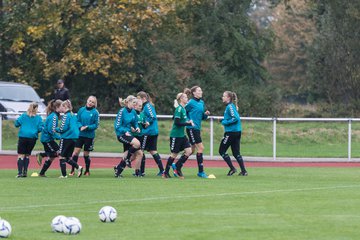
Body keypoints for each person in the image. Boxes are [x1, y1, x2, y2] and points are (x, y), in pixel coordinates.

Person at [162, 92, 194, 179]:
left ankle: (178, 166)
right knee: (174, 154)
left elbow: (175, 118)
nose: (187, 99)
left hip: (182, 135)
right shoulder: (179, 109)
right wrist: (187, 123)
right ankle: (165, 173)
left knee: (189, 151)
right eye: (185, 97)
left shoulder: (183, 109)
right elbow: (177, 122)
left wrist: (187, 122)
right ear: (181, 99)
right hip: (176, 135)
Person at [183, 86, 210, 178]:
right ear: (194, 93)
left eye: (201, 90)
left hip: (197, 128)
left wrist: (205, 115)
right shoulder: (190, 102)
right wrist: (188, 120)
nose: (201, 92)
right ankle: (201, 172)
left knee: (192, 150)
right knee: (201, 148)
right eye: (199, 90)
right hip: (191, 128)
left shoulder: (201, 102)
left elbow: (201, 117)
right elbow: (183, 112)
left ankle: (177, 165)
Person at [219, 91, 248, 176]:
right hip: (236, 132)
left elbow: (235, 118)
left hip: (231, 132)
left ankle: (232, 168)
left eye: (224, 96)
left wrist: (225, 122)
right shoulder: (231, 106)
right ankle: (243, 171)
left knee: (222, 151)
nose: (222, 97)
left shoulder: (230, 106)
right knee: (236, 153)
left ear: (228, 98)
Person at [69, 96, 100, 176]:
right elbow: (77, 120)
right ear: (87, 100)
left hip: (89, 136)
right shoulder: (81, 110)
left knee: (86, 154)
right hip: (80, 135)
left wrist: (87, 127)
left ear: (94, 104)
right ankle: (73, 170)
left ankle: (87, 170)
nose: (90, 103)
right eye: (90, 101)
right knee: (76, 152)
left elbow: (96, 125)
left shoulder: (95, 112)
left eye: (92, 102)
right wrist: (80, 127)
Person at [113, 95, 143, 178]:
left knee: (140, 154)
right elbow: (117, 126)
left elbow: (135, 122)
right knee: (137, 143)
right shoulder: (122, 111)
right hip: (122, 135)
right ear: (128, 102)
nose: (135, 104)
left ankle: (120, 170)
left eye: (136, 103)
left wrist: (137, 127)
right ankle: (127, 160)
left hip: (129, 134)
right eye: (134, 102)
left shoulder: (133, 111)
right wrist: (125, 131)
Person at [136, 91, 164, 176]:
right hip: (152, 131)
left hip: (148, 132)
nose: (137, 101)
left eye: (138, 99)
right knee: (152, 151)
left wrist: (147, 122)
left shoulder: (148, 106)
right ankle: (162, 170)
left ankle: (142, 172)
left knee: (141, 151)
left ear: (143, 99)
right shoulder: (145, 106)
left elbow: (153, 116)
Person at [14, 102, 43, 178]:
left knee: (21, 155)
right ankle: (25, 172)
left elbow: (16, 124)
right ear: (36, 108)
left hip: (23, 136)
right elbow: (40, 128)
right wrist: (35, 130)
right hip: (32, 137)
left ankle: (20, 173)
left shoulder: (23, 116)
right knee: (27, 155)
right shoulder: (39, 118)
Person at [56, 100, 83, 178]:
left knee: (61, 156)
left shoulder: (66, 116)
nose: (60, 108)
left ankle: (64, 175)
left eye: (61, 106)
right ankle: (78, 167)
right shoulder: (73, 115)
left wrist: (57, 129)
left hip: (66, 137)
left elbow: (63, 127)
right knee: (67, 157)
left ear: (65, 107)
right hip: (74, 138)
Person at [37, 99, 63, 177]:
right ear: (57, 107)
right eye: (62, 106)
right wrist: (58, 137)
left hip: (48, 139)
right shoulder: (54, 116)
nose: (63, 108)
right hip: (47, 139)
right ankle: (41, 155)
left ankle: (42, 173)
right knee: (57, 153)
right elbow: (51, 130)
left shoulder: (54, 115)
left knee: (53, 156)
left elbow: (53, 129)